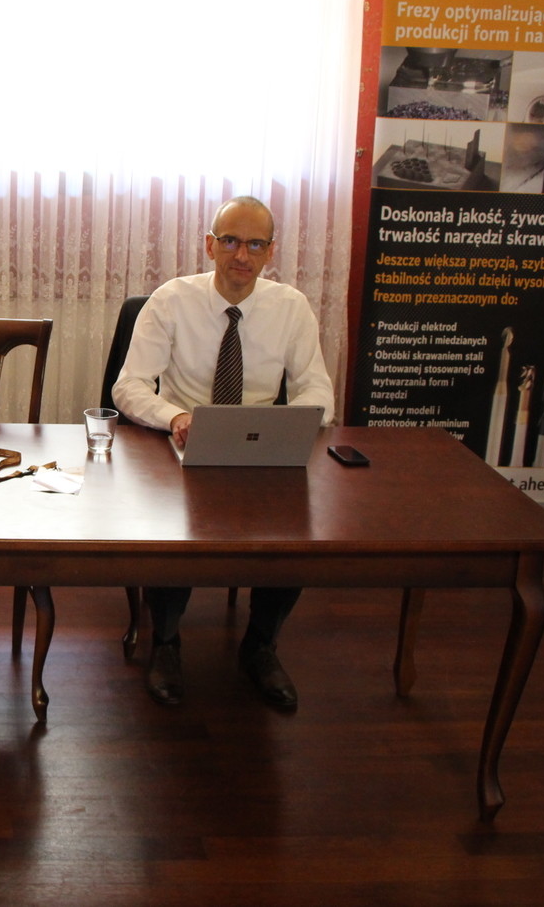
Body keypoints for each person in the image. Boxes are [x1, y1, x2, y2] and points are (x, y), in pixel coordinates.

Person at [112, 196, 334, 709]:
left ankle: (261, 647)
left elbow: (317, 389)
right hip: (183, 444)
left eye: (255, 244)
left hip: (260, 447)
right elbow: (129, 386)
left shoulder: (291, 307)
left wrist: (291, 423)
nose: (242, 255)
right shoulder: (171, 300)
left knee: (296, 533)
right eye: (231, 241)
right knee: (172, 529)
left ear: (270, 252)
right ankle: (166, 643)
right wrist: (175, 416)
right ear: (210, 245)